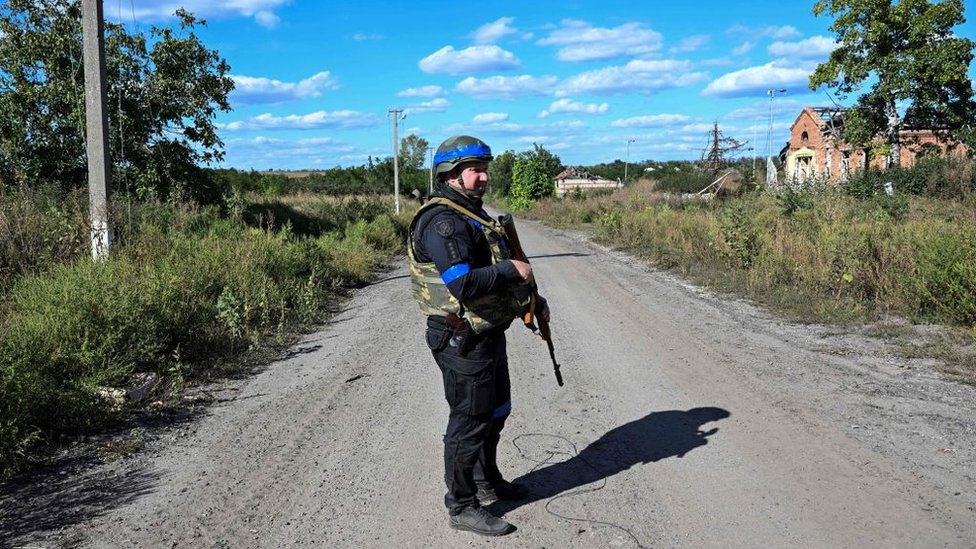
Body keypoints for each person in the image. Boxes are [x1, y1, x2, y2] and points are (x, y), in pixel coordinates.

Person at [407, 135, 548, 536]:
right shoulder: (443, 222)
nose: (484, 176)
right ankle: (462, 505)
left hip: (486, 334)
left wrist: (530, 299)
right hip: (460, 339)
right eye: (476, 170)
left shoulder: (472, 213)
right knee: (468, 421)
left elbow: (496, 269)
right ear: (451, 175)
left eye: (485, 168)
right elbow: (464, 286)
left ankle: (487, 481)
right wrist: (511, 271)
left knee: (496, 411)